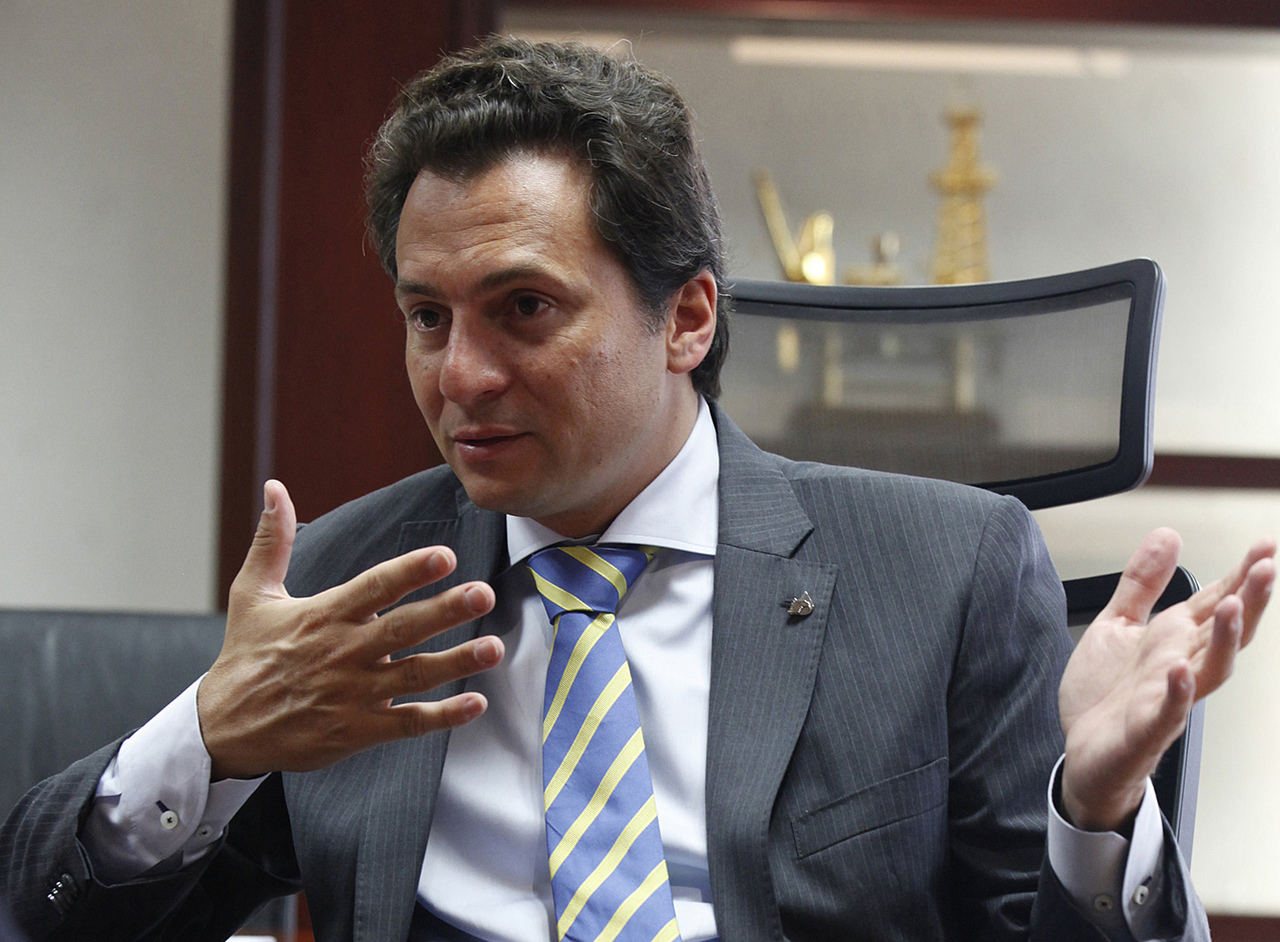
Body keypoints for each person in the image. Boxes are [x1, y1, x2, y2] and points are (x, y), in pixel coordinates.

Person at [2, 37, 1274, 942]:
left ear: (686, 317)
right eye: (427, 316)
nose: (461, 374)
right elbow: (44, 911)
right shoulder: (362, 582)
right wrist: (210, 741)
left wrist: (1095, 810)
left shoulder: (942, 572)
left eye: (523, 308)